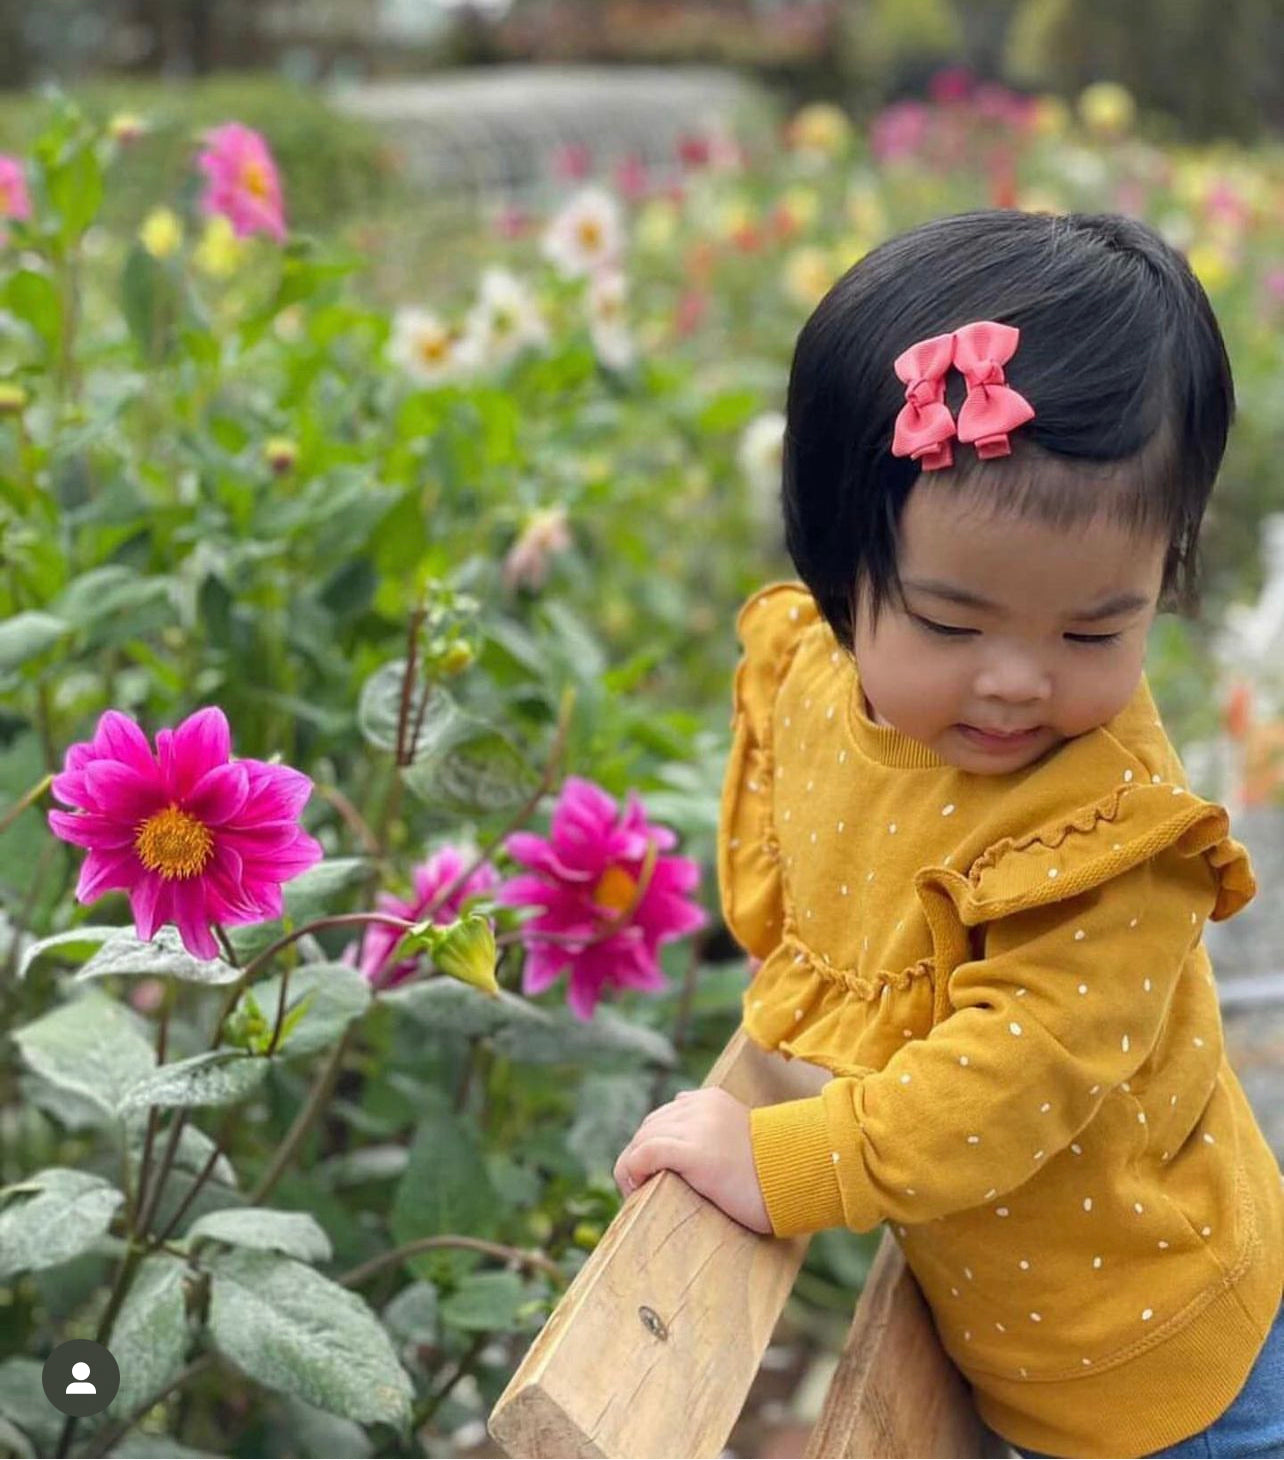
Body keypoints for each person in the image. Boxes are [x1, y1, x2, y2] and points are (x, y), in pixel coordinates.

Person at [612, 210, 1284, 1459]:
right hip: (1017, 1328)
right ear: (840, 568)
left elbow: (1006, 1081)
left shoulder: (1112, 840)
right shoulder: (828, 676)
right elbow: (808, 845)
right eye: (952, 621)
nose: (1019, 682)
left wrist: (789, 1159)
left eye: (1096, 632)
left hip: (1159, 1368)